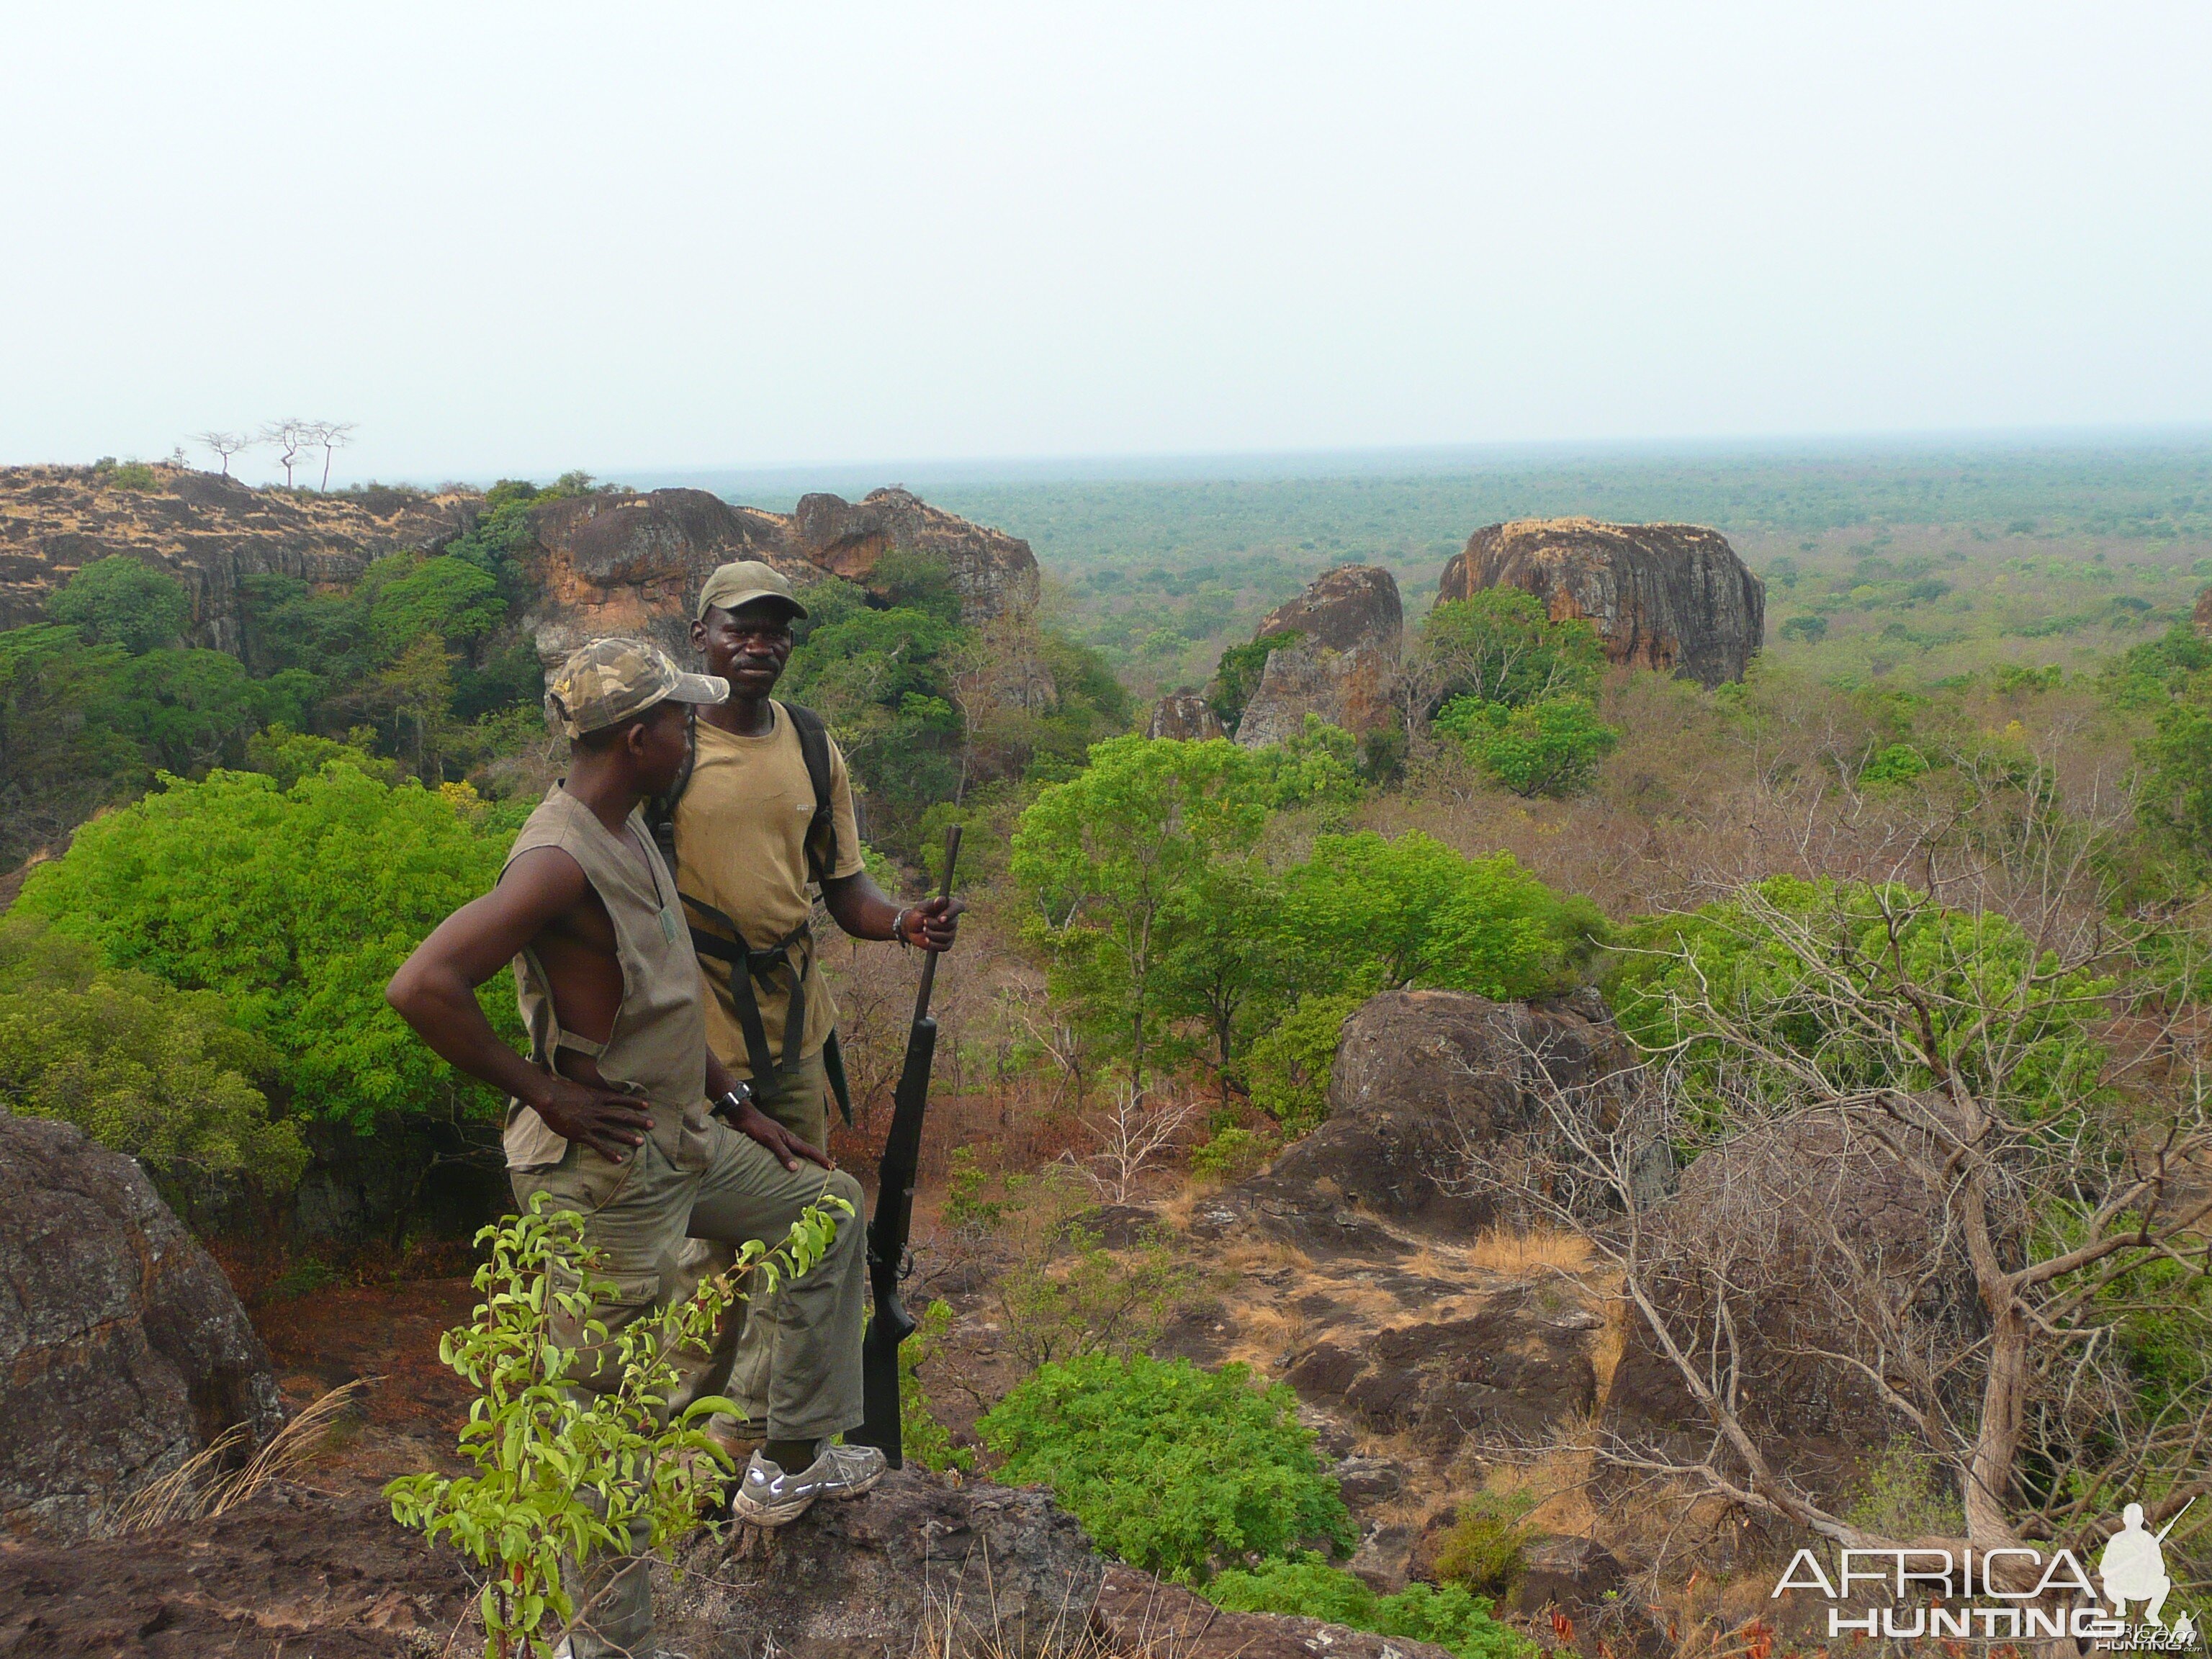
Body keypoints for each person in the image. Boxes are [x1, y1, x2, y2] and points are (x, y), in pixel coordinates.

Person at [385, 637, 881, 1659]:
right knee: (608, 1413)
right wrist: (546, 1093)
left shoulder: (628, 826)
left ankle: (790, 1456)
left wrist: (738, 1101)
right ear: (639, 736)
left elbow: (663, 993)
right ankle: (606, 1643)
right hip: (604, 1173)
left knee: (826, 1207)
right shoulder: (557, 857)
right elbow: (422, 986)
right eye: (679, 719)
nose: (692, 731)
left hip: (682, 1136)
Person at [654, 561, 963, 1444]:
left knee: (802, 1250)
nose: (759, 645)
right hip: (696, 1051)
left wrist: (904, 922)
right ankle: (685, 1445)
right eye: (740, 628)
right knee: (706, 1266)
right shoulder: (663, 743)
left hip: (795, 1037)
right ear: (700, 636)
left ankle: (767, 1443)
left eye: (775, 630)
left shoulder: (811, 742)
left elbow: (843, 889)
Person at [2099, 1502, 2173, 1627]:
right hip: (2120, 1585)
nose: (2132, 1520)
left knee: (2165, 1582)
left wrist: (2148, 1560)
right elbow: (2104, 1569)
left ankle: (2152, 1613)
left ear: (2141, 1519)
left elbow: (2160, 1569)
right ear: (2124, 1519)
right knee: (2108, 1583)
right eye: (2129, 1517)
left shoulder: (2148, 1539)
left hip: (2141, 1584)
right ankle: (2120, 1604)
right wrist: (2125, 1566)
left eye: (2136, 1517)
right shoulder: (2117, 1539)